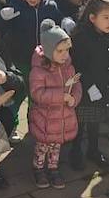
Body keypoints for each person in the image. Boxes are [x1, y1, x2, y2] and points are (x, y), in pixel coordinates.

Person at [68, 0, 109, 171]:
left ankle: (93, 149)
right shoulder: (81, 37)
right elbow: (76, 65)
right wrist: (88, 86)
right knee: (80, 122)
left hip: (106, 87)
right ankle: (75, 151)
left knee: (96, 121)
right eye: (106, 17)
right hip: (86, 90)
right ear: (92, 18)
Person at [27, 21, 80, 189]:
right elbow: (37, 93)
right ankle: (38, 168)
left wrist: (74, 98)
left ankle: (53, 168)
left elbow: (77, 86)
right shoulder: (39, 71)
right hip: (45, 117)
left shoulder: (68, 67)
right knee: (42, 145)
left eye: (67, 50)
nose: (65, 54)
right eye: (60, 51)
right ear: (50, 51)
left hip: (62, 116)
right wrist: (60, 96)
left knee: (56, 146)